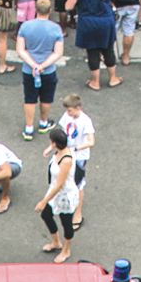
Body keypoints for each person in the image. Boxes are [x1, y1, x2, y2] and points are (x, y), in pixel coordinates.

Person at [67, 0, 122, 90]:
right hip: (105, 22)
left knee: (92, 52)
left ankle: (95, 82)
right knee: (108, 50)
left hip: (87, 23)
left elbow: (68, 6)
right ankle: (113, 78)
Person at [15, 1, 64, 136]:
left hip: (29, 70)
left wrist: (34, 65)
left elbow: (20, 50)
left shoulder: (25, 26)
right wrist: (43, 65)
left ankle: (29, 128)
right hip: (48, 70)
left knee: (29, 98)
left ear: (36, 9)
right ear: (50, 10)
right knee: (46, 98)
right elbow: (58, 52)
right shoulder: (56, 28)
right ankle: (43, 122)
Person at [36, 126, 80, 264]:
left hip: (64, 195)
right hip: (54, 191)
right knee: (46, 215)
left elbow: (60, 184)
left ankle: (66, 250)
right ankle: (56, 242)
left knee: (66, 223)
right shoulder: (60, 151)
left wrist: (44, 201)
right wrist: (50, 149)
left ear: (55, 142)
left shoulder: (66, 160)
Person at [53, 94, 94, 225]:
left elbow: (91, 141)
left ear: (78, 108)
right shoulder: (67, 116)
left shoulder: (86, 121)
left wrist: (75, 149)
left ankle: (78, 213)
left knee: (78, 185)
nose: (68, 113)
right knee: (64, 178)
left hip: (78, 158)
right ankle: (65, 202)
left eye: (70, 110)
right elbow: (63, 133)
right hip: (66, 154)